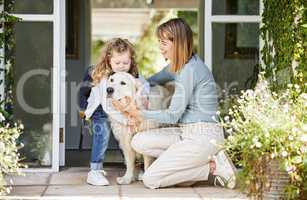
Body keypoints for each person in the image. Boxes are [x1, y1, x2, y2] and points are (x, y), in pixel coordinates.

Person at [130, 18, 237, 189]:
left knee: (150, 179)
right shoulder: (176, 67)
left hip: (203, 136)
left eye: (164, 42)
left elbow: (173, 114)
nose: (160, 47)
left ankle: (212, 167)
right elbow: (150, 81)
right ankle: (194, 165)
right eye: (159, 42)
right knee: (138, 141)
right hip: (184, 132)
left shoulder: (191, 70)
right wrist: (134, 84)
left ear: (178, 42)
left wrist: (139, 113)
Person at [79, 38, 149, 186]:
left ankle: (136, 167)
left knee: (131, 134)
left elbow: (143, 84)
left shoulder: (132, 72)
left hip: (120, 106)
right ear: (109, 60)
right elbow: (106, 106)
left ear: (131, 61)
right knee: (102, 132)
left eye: (126, 63)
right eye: (117, 63)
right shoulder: (103, 75)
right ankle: (95, 170)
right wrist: (125, 120)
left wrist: (144, 97)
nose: (122, 67)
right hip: (100, 107)